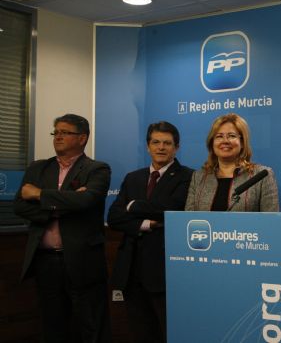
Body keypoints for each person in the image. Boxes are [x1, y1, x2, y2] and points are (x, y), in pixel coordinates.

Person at [14, 113, 111, 343]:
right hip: (46, 261)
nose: (58, 136)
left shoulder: (97, 169)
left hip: (83, 261)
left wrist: (39, 195)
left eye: (65, 132)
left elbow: (86, 201)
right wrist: (63, 204)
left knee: (90, 327)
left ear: (82, 138)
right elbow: (20, 205)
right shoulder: (38, 168)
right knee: (52, 326)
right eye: (56, 132)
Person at [107, 121, 193, 342]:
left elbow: (172, 210)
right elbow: (114, 217)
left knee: (169, 333)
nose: (161, 147)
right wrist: (146, 223)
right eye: (156, 142)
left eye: (167, 143)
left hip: (165, 271)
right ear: (148, 146)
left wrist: (134, 206)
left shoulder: (189, 177)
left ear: (176, 147)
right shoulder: (132, 177)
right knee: (140, 333)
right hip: (130, 269)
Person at [185, 113, 278, 212]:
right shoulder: (199, 178)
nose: (225, 141)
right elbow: (188, 220)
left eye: (231, 136)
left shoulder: (261, 176)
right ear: (212, 143)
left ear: (242, 142)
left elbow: (271, 222)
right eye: (219, 136)